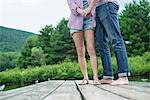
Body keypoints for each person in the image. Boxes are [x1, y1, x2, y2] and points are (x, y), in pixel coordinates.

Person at [84, 0, 130, 85]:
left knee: (115, 39)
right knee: (101, 44)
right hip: (98, 8)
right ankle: (108, 76)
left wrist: (89, 8)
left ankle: (124, 75)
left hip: (107, 5)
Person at [67, 0, 101, 85]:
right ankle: (85, 78)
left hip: (89, 19)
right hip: (76, 21)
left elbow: (95, 2)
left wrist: (89, 10)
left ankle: (96, 78)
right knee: (80, 51)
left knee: (91, 49)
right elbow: (71, 4)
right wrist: (81, 11)